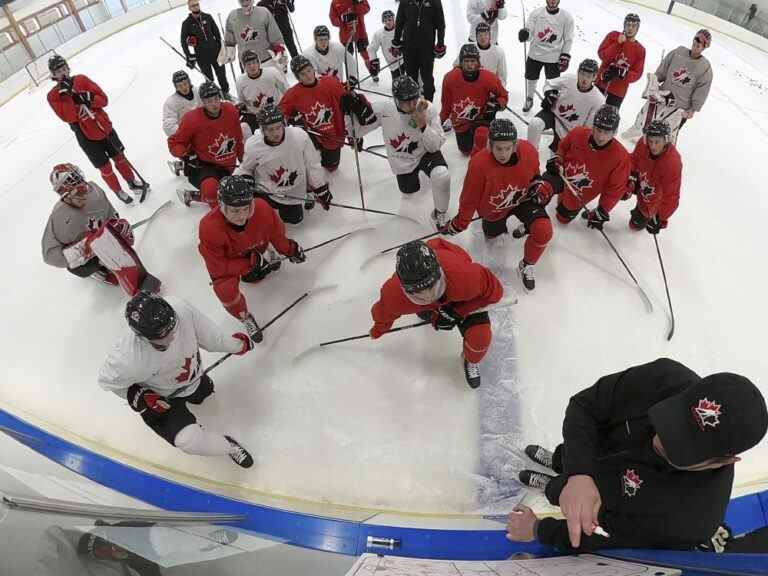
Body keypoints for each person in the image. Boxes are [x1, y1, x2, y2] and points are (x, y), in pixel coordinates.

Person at [507, 358, 768, 551]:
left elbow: (611, 537)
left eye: (681, 448)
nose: (659, 439)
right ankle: (557, 463)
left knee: (562, 492)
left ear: (725, 460)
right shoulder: (667, 377)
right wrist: (578, 472)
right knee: (569, 460)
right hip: (588, 454)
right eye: (669, 420)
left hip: (605, 504)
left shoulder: (691, 521)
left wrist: (538, 529)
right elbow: (585, 407)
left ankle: (551, 486)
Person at [98, 292, 256, 469]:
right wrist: (140, 396)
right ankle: (228, 446)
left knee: (205, 392)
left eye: (172, 326)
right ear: (142, 336)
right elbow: (106, 382)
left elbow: (211, 337)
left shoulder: (180, 309)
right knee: (188, 441)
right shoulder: (127, 358)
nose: (171, 336)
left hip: (194, 379)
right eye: (161, 336)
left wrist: (237, 345)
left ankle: (198, 393)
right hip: (163, 399)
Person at [370, 239, 504, 389]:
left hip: (461, 296)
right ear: (404, 287)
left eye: (431, 285)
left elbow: (496, 291)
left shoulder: (465, 276)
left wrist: (458, 311)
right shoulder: (393, 295)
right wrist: (379, 329)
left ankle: (470, 360)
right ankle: (431, 309)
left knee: (480, 337)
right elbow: (383, 312)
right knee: (425, 311)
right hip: (433, 306)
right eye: (418, 292)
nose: (429, 296)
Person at [442, 119, 553, 292]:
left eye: (508, 148)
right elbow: (469, 198)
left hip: (522, 200)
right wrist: (460, 222)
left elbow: (535, 176)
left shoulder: (530, 152)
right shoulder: (479, 165)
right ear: (490, 145)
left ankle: (526, 264)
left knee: (543, 231)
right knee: (493, 239)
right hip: (494, 210)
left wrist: (540, 185)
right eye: (498, 148)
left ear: (515, 145)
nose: (503, 154)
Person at [198, 175, 306, 343]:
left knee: (256, 278)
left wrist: (291, 250)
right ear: (222, 207)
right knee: (225, 290)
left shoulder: (262, 209)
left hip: (257, 246)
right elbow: (217, 267)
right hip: (232, 261)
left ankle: (267, 256)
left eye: (246, 208)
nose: (241, 216)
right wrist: (250, 263)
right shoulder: (209, 227)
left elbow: (277, 234)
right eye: (234, 210)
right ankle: (244, 316)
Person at [42, 163, 161, 296]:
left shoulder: (94, 190)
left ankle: (107, 260)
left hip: (104, 240)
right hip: (85, 259)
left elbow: (111, 212)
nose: (83, 187)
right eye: (74, 184)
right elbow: (49, 256)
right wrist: (83, 250)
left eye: (80, 180)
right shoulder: (58, 216)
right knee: (89, 265)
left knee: (122, 240)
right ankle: (97, 269)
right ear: (63, 192)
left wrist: (117, 226)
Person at [46, 55, 148, 206]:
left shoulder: (81, 80)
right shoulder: (53, 96)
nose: (63, 72)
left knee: (120, 157)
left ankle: (132, 182)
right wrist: (67, 96)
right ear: (53, 75)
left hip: (103, 126)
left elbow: (103, 100)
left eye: (64, 68)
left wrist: (86, 97)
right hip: (86, 136)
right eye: (58, 71)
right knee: (105, 167)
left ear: (68, 68)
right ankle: (118, 191)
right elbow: (69, 117)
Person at [356, 75, 450, 228]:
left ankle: (440, 213)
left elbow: (436, 145)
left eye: (414, 99)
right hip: (403, 161)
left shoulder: (428, 108)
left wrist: (423, 125)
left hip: (426, 152)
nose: (412, 105)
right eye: (406, 102)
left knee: (442, 175)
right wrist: (352, 112)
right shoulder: (384, 110)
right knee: (409, 191)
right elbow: (356, 130)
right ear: (396, 100)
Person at [235, 105, 331, 224]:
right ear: (262, 129)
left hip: (292, 193)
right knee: (259, 216)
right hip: (266, 191)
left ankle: (306, 196)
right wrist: (244, 177)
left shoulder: (299, 136)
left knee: (294, 220)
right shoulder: (254, 145)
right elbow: (246, 168)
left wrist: (320, 187)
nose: (276, 133)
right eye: (270, 129)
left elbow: (312, 164)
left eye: (278, 127)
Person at [280, 55, 375, 172]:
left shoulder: (330, 83)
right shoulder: (293, 94)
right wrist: (291, 120)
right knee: (308, 159)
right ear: (298, 78)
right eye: (303, 74)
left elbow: (348, 106)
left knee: (331, 167)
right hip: (311, 134)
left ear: (313, 69)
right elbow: (281, 112)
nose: (308, 76)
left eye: (309, 71)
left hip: (333, 134)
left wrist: (354, 133)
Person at [546, 104, 630, 229]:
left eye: (607, 132)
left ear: (615, 132)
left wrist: (602, 210)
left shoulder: (621, 157)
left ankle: (564, 200)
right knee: (542, 189)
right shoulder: (578, 133)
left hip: (582, 192)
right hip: (561, 174)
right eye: (598, 130)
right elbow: (563, 147)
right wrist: (558, 159)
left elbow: (614, 189)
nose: (601, 137)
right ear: (593, 126)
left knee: (562, 218)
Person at [622, 29, 712, 144]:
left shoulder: (705, 67)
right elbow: (662, 72)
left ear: (705, 47)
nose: (698, 43)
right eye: (697, 39)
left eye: (702, 43)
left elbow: (702, 90)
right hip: (662, 99)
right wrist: (654, 84)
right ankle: (639, 145)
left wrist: (693, 109)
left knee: (665, 139)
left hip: (679, 108)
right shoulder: (678, 52)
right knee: (645, 123)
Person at [168, 81, 245, 208]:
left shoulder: (231, 110)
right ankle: (221, 219)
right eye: (209, 101)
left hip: (226, 166)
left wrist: (243, 159)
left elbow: (238, 136)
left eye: (216, 99)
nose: (214, 104)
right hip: (203, 165)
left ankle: (195, 195)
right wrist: (185, 155)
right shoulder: (192, 119)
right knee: (211, 190)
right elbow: (174, 142)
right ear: (202, 102)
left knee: (228, 194)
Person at [440, 43, 508, 156]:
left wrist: (498, 104)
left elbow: (503, 95)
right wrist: (438, 122)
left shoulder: (488, 77)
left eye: (473, 61)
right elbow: (446, 105)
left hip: (482, 118)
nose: (470, 65)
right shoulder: (449, 78)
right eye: (466, 61)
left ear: (478, 62)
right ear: (460, 63)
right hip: (460, 123)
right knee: (466, 151)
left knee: (482, 143)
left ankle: (487, 135)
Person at [526, 58, 603, 153]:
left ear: (595, 77)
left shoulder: (598, 99)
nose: (584, 79)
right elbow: (549, 84)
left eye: (588, 76)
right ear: (578, 72)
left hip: (569, 130)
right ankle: (530, 154)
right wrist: (549, 93)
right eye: (582, 74)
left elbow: (588, 127)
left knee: (555, 161)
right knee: (535, 124)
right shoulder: (569, 79)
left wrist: (578, 139)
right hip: (553, 114)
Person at [624, 120, 682, 235]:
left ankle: (641, 217)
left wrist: (660, 218)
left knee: (635, 225)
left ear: (666, 140)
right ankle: (601, 210)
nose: (653, 146)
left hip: (653, 196)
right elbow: (633, 160)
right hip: (641, 179)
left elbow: (671, 196)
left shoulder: (672, 163)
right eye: (650, 141)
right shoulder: (643, 144)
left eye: (657, 142)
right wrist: (630, 180)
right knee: (618, 184)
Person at [518, 0, 574, 112]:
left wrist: (565, 55)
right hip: (535, 54)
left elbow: (568, 39)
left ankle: (548, 101)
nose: (552, 1)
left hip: (554, 57)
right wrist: (525, 34)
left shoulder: (566, 17)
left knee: (552, 83)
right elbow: (529, 32)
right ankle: (529, 98)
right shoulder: (536, 13)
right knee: (530, 78)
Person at [393, 0, 447, 102]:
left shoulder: (435, 1)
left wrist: (440, 44)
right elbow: (399, 22)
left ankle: (428, 104)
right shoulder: (405, 1)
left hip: (426, 48)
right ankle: (412, 104)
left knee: (427, 79)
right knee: (410, 79)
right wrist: (396, 41)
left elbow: (441, 24)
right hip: (408, 47)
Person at [180, 0, 230, 98]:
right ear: (189, 8)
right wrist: (189, 56)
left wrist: (221, 48)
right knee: (209, 78)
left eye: (197, 4)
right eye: (193, 6)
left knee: (222, 75)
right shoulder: (186, 23)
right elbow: (183, 41)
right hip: (201, 56)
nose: (196, 7)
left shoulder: (207, 17)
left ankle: (226, 92)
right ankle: (215, 96)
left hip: (216, 53)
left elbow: (217, 33)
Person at [595, 13, 646, 109]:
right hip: (601, 83)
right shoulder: (613, 36)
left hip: (618, 91)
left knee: (607, 121)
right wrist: (617, 44)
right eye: (628, 25)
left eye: (634, 26)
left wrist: (624, 73)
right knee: (590, 113)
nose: (630, 28)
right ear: (624, 25)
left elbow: (637, 73)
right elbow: (602, 55)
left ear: (637, 28)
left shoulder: (640, 49)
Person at [222, 0, 286, 71]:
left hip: (267, 60)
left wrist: (280, 51)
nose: (245, 1)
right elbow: (229, 40)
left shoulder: (264, 12)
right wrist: (228, 52)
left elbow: (275, 35)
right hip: (247, 64)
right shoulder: (232, 16)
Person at [235, 49, 288, 135]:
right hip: (257, 118)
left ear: (259, 62)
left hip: (277, 113)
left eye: (254, 62)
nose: (252, 66)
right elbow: (242, 102)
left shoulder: (272, 72)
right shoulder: (240, 82)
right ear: (243, 66)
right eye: (248, 64)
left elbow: (286, 91)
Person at [163, 71, 201, 176]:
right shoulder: (171, 102)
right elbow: (168, 126)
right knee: (194, 165)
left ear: (189, 82)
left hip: (203, 130)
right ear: (176, 87)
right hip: (186, 137)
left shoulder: (198, 92)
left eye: (185, 83)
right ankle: (182, 164)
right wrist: (185, 132)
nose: (184, 87)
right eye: (180, 86)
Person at [456, 22, 507, 87]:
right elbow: (456, 67)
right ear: (476, 36)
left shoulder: (499, 52)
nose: (483, 38)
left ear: (490, 36)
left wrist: (498, 90)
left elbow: (502, 77)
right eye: (480, 35)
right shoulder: (469, 48)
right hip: (471, 87)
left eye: (485, 34)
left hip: (490, 88)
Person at [329, 0, 372, 74]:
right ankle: (351, 77)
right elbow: (333, 19)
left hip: (360, 32)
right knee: (348, 58)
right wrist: (342, 18)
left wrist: (357, 5)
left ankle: (372, 71)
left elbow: (367, 8)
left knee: (366, 53)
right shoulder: (335, 2)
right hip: (345, 35)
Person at [366, 10, 404, 83]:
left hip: (405, 60)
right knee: (397, 84)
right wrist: (373, 61)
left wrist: (402, 48)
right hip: (393, 64)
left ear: (393, 19)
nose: (387, 22)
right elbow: (371, 49)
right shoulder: (379, 34)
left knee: (410, 80)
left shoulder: (401, 30)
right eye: (385, 20)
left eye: (389, 20)